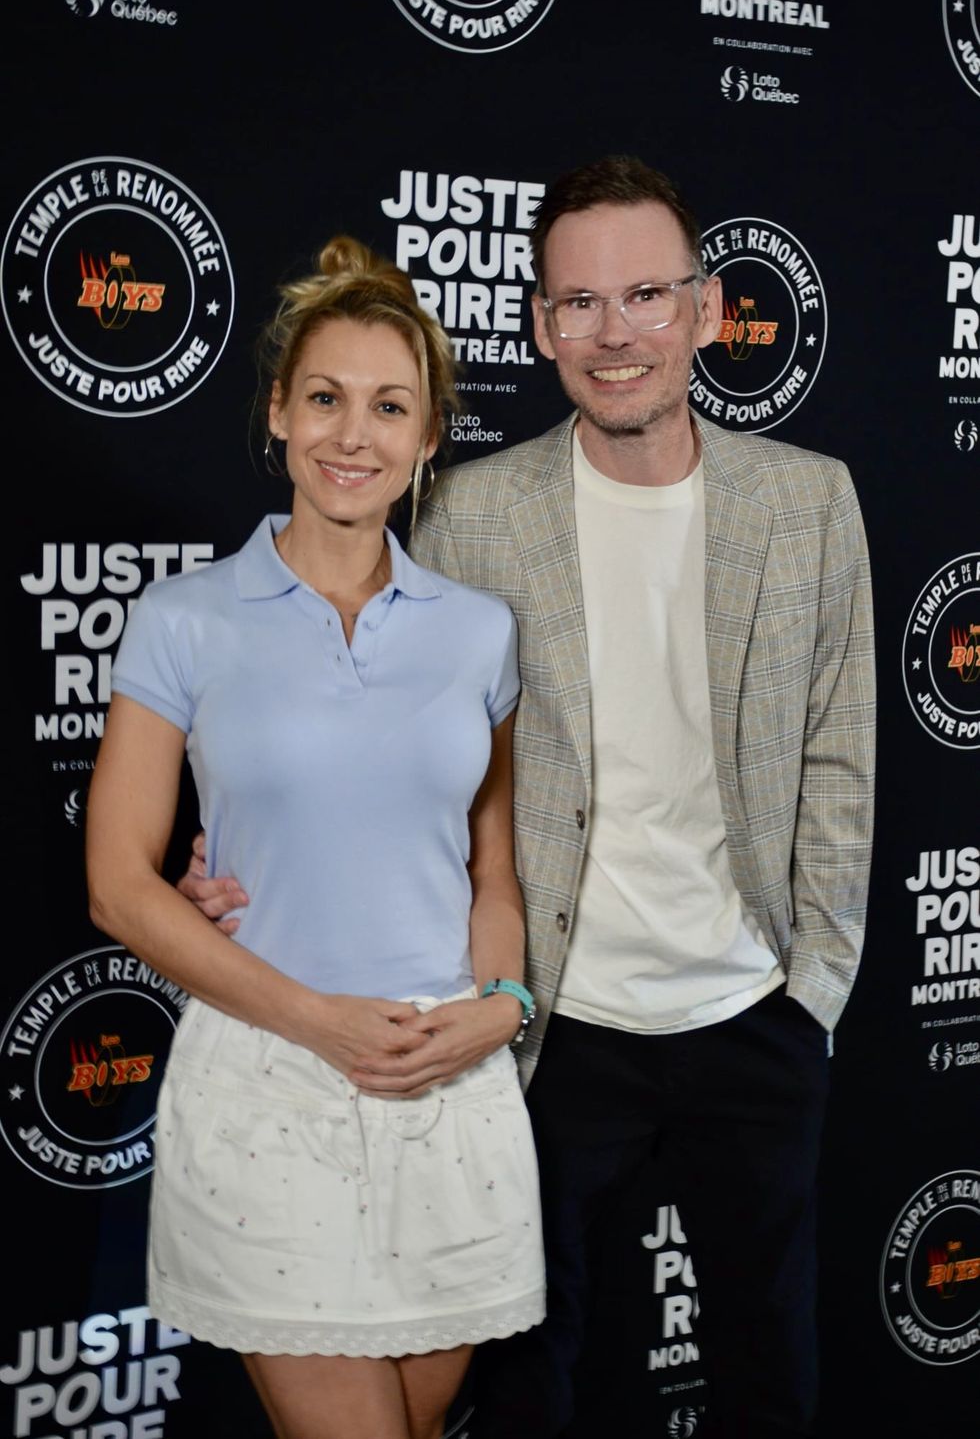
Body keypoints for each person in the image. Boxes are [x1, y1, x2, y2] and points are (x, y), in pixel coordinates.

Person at [182, 156, 876, 1439]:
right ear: (541, 323)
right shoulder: (469, 510)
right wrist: (239, 864)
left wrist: (812, 987)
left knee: (766, 1366)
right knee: (536, 1385)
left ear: (708, 311)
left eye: (646, 296)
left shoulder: (808, 500)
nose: (614, 335)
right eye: (577, 303)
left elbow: (839, 757)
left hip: (751, 1010)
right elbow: (377, 730)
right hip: (546, 1022)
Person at [85, 235, 545, 1439]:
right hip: (267, 1083)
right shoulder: (183, 620)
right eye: (327, 399)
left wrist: (502, 999)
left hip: (450, 1080)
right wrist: (318, 1019)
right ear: (280, 412)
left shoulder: (480, 633)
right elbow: (119, 889)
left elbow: (491, 873)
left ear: (430, 434)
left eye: (390, 406)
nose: (355, 435)